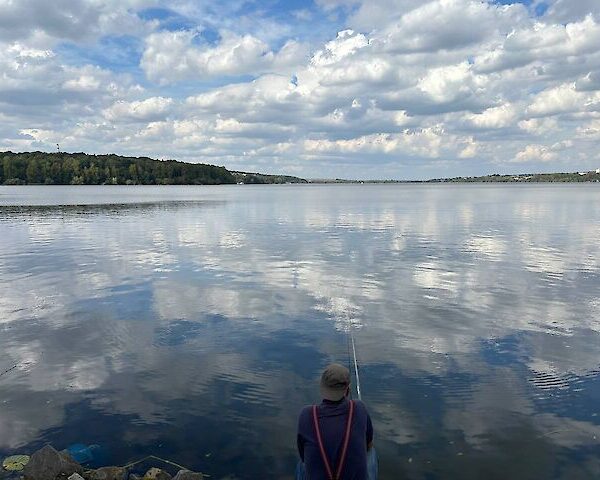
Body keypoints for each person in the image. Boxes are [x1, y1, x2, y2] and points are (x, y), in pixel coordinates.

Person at [296, 363, 378, 480]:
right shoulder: (359, 407)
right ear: (348, 390)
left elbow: (303, 455)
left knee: (301, 462)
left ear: (322, 388)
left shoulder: (306, 415)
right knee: (371, 452)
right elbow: (368, 444)